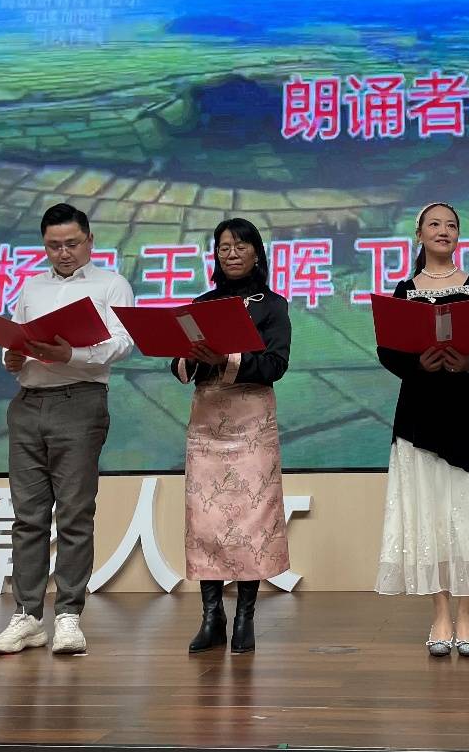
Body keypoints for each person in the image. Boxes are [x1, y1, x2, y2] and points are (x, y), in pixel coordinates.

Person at [0, 203, 135, 656]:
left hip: (79, 402)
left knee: (73, 513)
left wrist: (72, 354)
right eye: (53, 246)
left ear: (90, 241)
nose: (63, 253)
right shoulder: (32, 286)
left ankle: (69, 614)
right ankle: (27, 616)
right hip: (28, 403)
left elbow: (123, 343)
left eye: (72, 244)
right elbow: (15, 340)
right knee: (28, 516)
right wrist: (10, 356)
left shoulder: (111, 284)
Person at [375, 202, 469, 657]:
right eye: (434, 224)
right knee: (430, 514)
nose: (444, 230)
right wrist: (417, 362)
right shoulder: (405, 290)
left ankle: (468, 613)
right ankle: (440, 612)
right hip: (420, 414)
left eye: (451, 225)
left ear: (459, 235)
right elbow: (389, 350)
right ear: (418, 233)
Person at [169, 218, 292, 654]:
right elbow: (178, 364)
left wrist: (229, 357)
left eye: (240, 246)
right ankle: (211, 617)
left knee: (251, 520)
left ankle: (244, 617)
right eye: (224, 247)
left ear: (257, 253)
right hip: (207, 422)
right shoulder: (201, 304)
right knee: (205, 521)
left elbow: (276, 365)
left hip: (252, 422)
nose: (232, 253)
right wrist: (192, 358)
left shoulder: (272, 306)